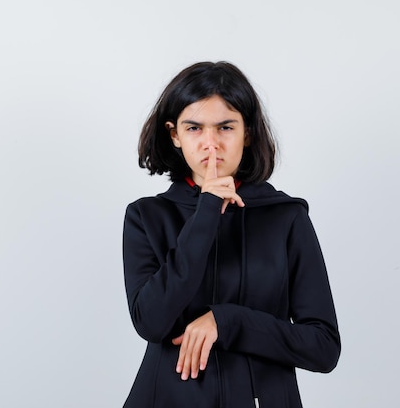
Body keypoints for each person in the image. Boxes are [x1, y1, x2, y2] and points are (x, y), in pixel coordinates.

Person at [122, 61, 340, 408]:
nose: (211, 144)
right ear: (174, 134)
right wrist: (207, 210)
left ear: (247, 133)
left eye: (225, 127)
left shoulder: (286, 217)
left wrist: (227, 321)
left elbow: (323, 347)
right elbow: (151, 321)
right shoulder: (146, 217)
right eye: (194, 128)